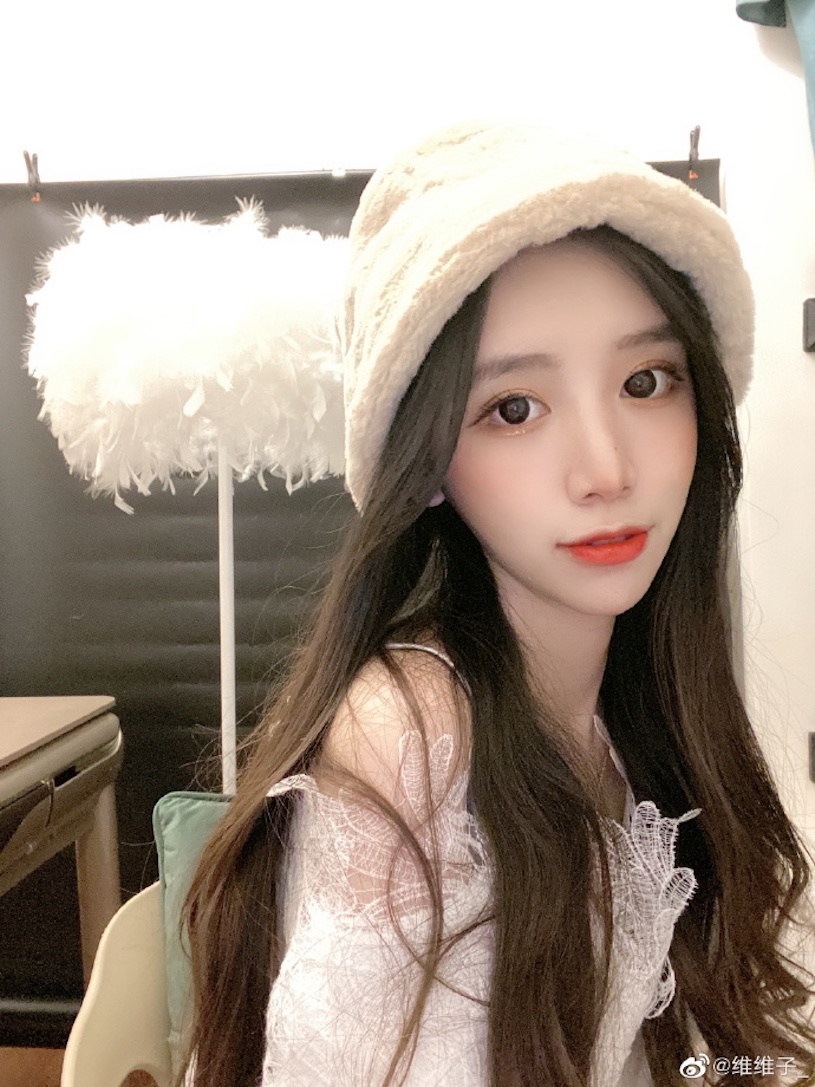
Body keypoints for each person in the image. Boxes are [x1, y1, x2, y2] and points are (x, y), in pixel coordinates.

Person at [179, 121, 815, 1087]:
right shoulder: (414, 739)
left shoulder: (629, 701)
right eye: (514, 408)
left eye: (645, 382)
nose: (606, 469)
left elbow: (693, 1048)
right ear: (429, 461)